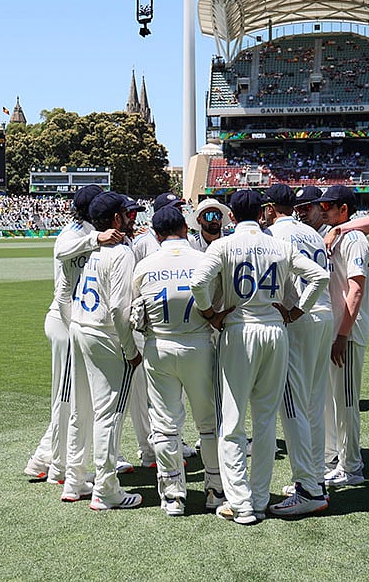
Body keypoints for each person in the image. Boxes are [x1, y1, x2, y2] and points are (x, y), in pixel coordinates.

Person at [190, 189, 328, 526]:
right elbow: (320, 276)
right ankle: (260, 498)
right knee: (265, 421)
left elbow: (198, 283)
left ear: (231, 216)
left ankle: (240, 504)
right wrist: (296, 311)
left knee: (232, 421)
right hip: (275, 330)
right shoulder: (280, 245)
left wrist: (210, 314)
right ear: (262, 212)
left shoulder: (223, 245)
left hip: (239, 331)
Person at [23, 185, 122, 485]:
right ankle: (58, 468)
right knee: (65, 400)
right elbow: (60, 250)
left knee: (76, 400)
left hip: (76, 322)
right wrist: (95, 239)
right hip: (65, 323)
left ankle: (43, 459)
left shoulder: (91, 231)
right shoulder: (74, 232)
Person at [131, 206, 223, 516]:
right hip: (198, 344)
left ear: (156, 235)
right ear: (185, 228)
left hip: (159, 346)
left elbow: (136, 309)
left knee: (165, 425)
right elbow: (217, 303)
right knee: (208, 422)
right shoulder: (203, 259)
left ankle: (173, 496)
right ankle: (215, 489)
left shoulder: (145, 265)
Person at [64, 191, 143, 511]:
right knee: (109, 414)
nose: (130, 219)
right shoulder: (121, 252)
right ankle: (106, 489)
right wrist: (130, 350)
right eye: (126, 214)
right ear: (115, 219)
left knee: (81, 407)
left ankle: (74, 480)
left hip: (80, 326)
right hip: (103, 334)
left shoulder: (93, 246)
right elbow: (120, 309)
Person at [260, 183, 332, 517]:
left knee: (292, 406)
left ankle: (308, 489)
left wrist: (295, 311)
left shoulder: (274, 235)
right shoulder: (313, 233)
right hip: (323, 316)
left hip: (299, 318)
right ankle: (315, 477)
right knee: (313, 405)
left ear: (270, 208)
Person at [316, 185, 369, 488]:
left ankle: (351, 467)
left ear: (344, 210)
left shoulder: (354, 239)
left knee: (346, 401)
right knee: (331, 400)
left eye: (328, 206)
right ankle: (334, 458)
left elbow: (356, 289)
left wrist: (342, 335)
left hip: (346, 332)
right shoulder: (335, 235)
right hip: (334, 329)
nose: (323, 210)